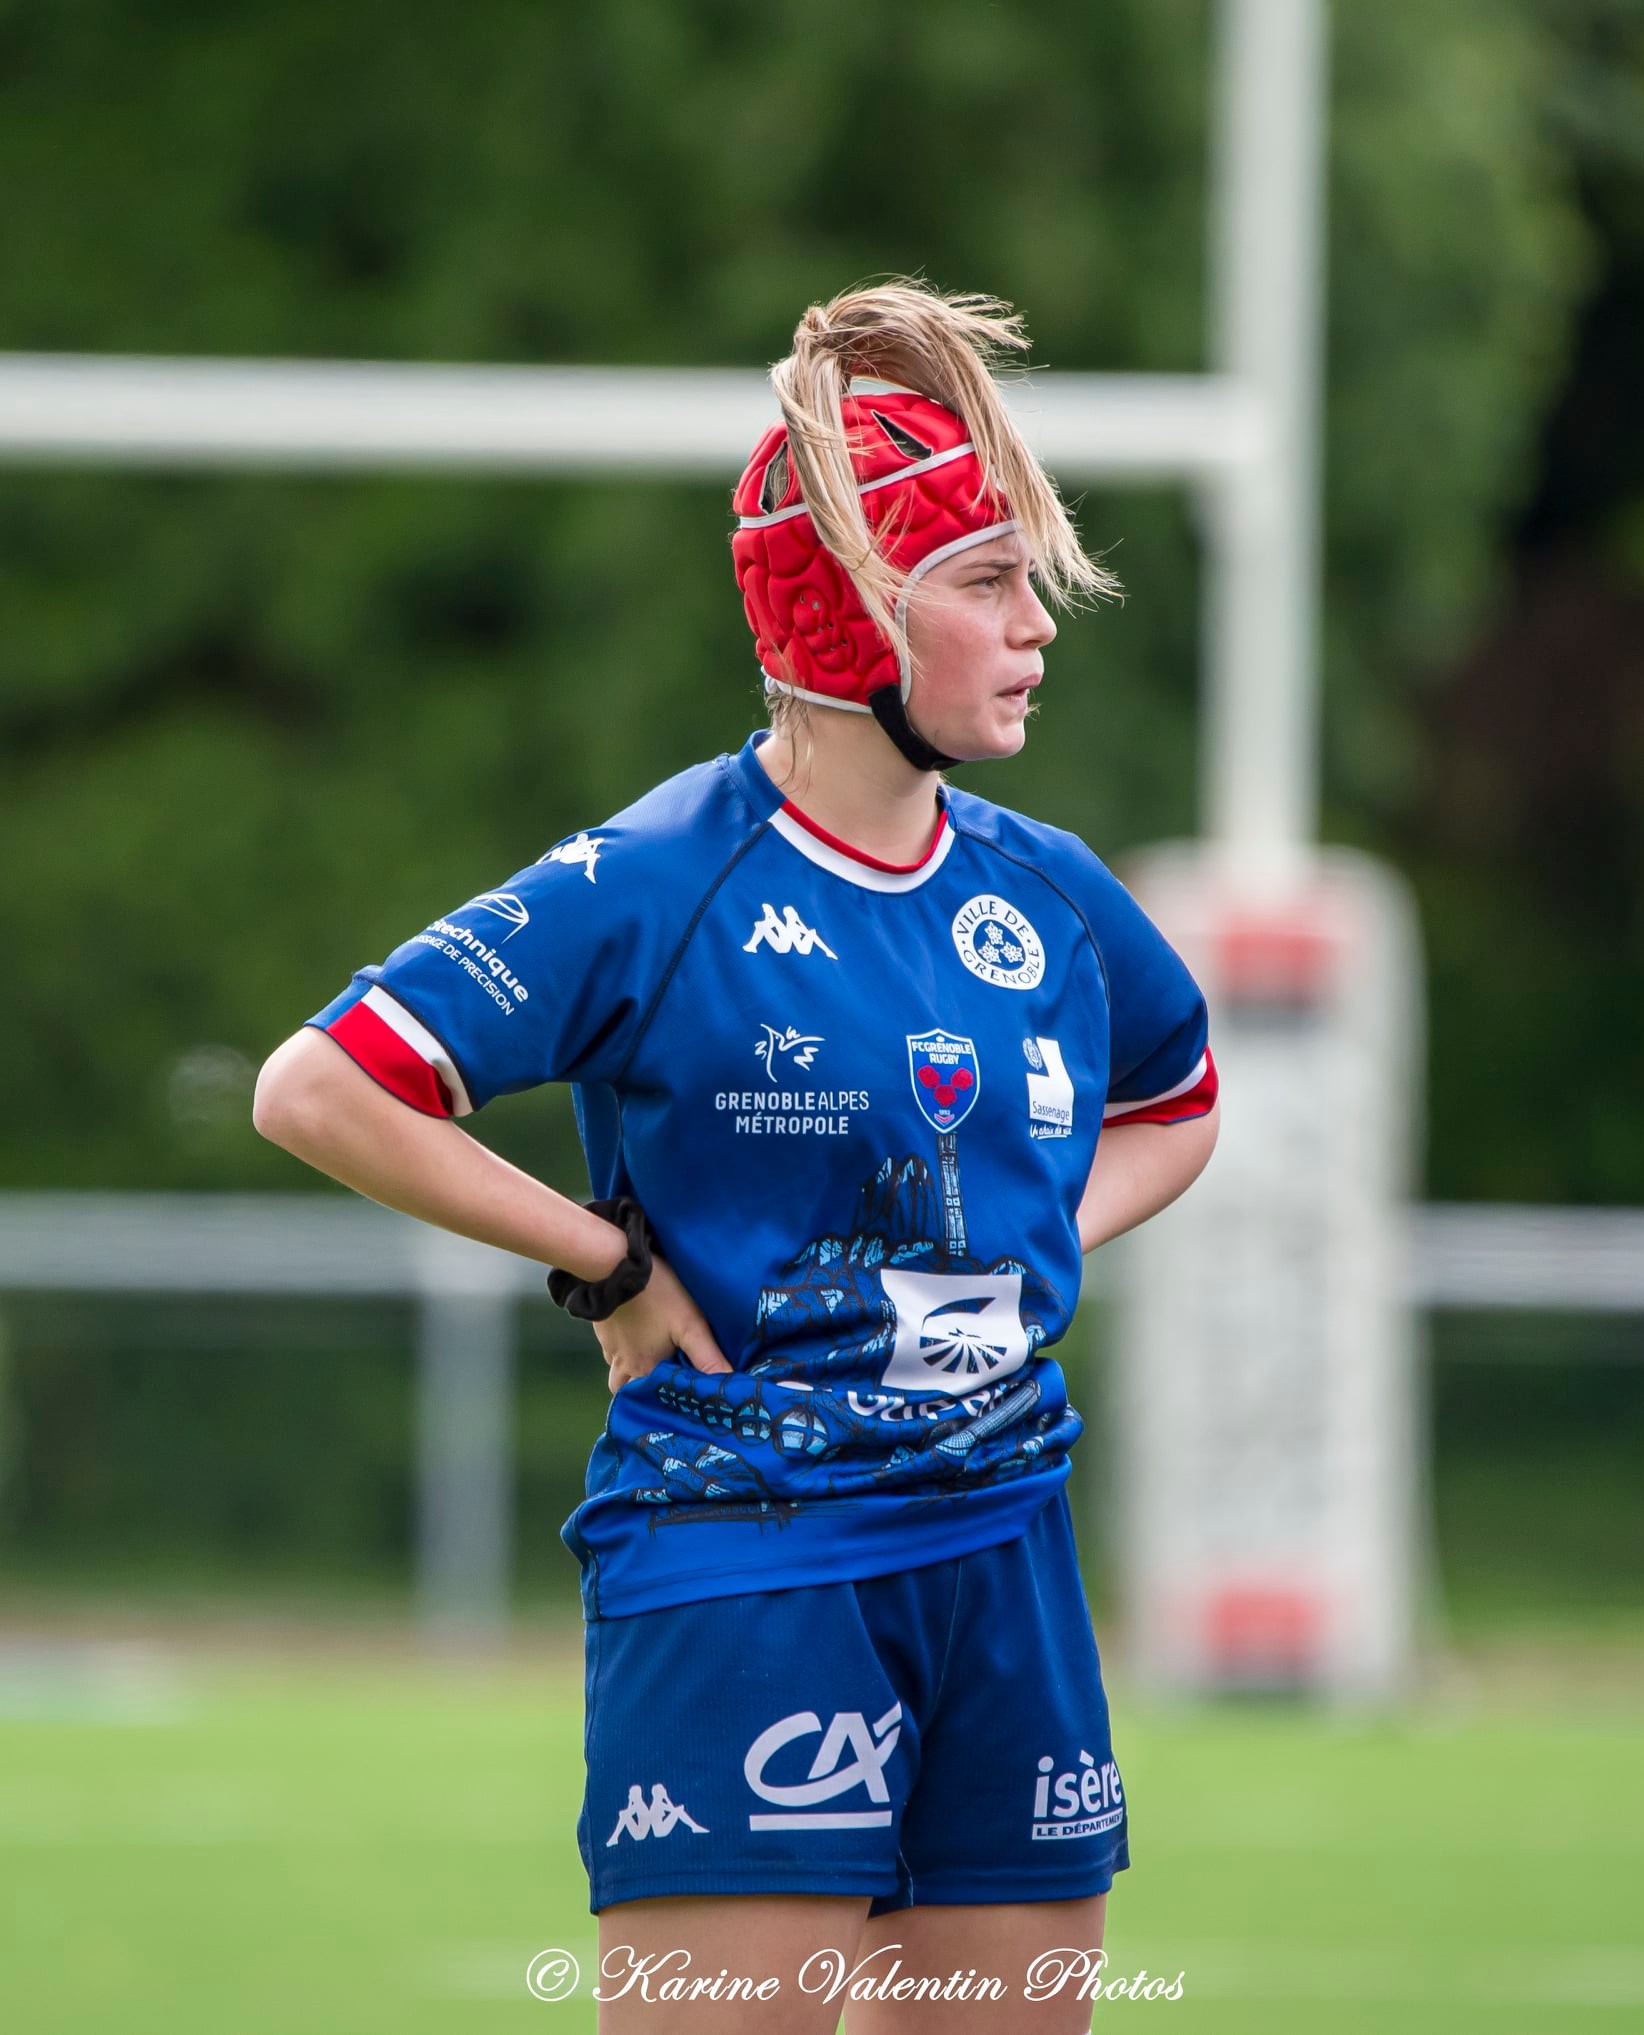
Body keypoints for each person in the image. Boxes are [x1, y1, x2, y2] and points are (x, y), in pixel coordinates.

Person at [254, 280, 1219, 2033]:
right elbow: (322, 1088)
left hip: (1002, 1540)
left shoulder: (1047, 889)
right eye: (989, 583)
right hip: (744, 1554)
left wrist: (1021, 1248)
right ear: (857, 612)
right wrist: (609, 1267)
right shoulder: (657, 878)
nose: (1036, 628)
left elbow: (1176, 1100)